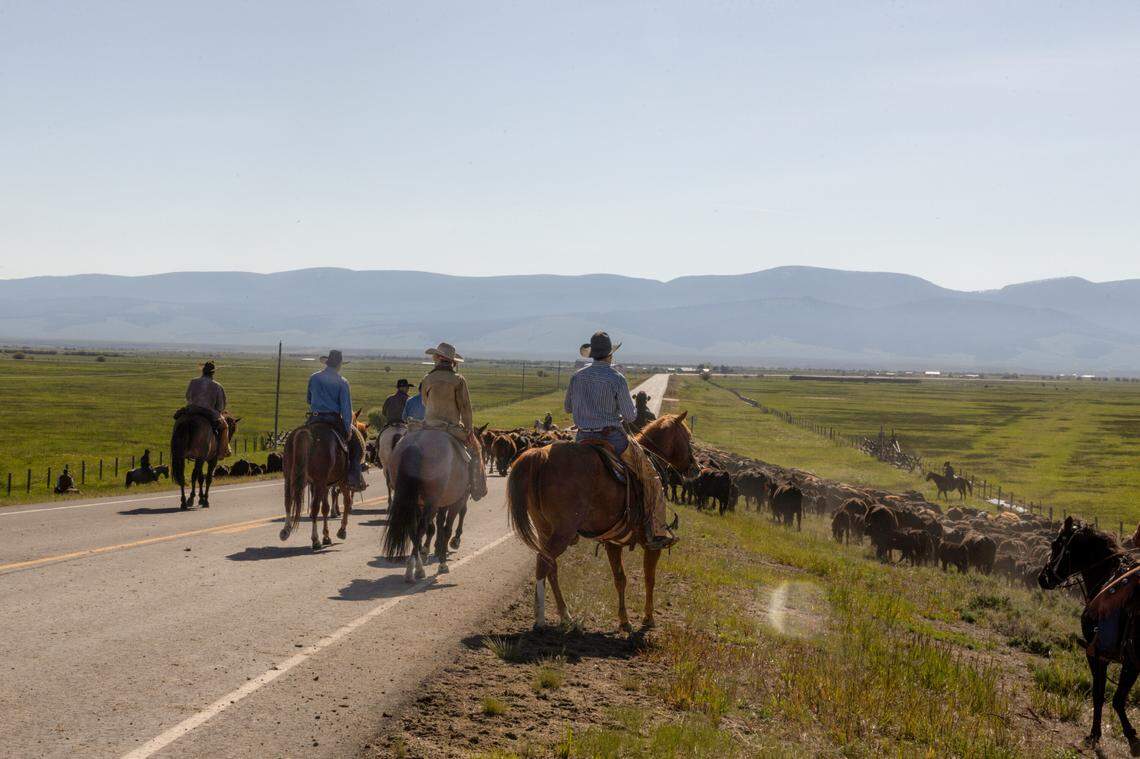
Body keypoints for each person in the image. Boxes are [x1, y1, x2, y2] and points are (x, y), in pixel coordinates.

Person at [564, 331, 678, 551]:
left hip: (582, 439)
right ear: (609, 355)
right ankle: (657, 531)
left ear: (592, 355)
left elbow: (568, 408)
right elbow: (631, 416)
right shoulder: (617, 378)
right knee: (652, 478)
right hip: (612, 439)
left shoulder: (577, 377)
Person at [418, 342, 487, 500]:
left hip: (429, 426)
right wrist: (469, 430)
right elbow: (466, 408)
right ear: (451, 361)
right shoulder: (458, 380)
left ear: (438, 358)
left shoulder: (428, 378)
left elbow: (424, 402)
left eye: (435, 356)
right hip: (451, 428)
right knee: (476, 450)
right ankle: (477, 488)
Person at [307, 349, 366, 492]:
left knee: (299, 437)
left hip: (314, 418)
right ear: (339, 364)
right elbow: (346, 410)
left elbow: (309, 399)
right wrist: (347, 430)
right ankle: (354, 478)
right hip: (333, 419)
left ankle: (293, 471)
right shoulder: (342, 382)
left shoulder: (314, 377)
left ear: (327, 362)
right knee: (357, 446)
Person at [185, 360, 231, 458]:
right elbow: (220, 406)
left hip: (192, 409)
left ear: (203, 371)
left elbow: (188, 397)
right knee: (225, 427)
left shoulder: (193, 382)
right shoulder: (217, 386)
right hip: (209, 413)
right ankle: (221, 452)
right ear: (213, 373)